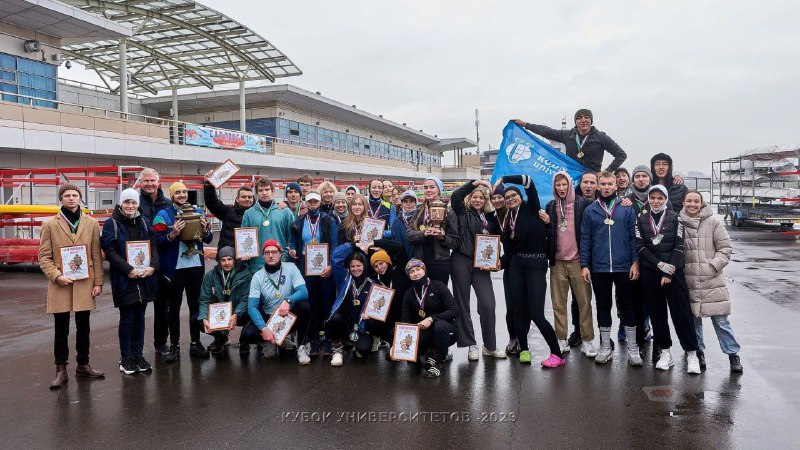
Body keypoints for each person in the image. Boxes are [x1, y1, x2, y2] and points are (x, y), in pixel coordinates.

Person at [39, 183, 105, 388]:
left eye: (75, 195)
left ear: (80, 198)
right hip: (60, 283)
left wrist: (98, 282)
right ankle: (61, 369)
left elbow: (96, 254)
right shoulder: (50, 224)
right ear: (61, 198)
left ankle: (83, 364)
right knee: (61, 329)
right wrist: (57, 276)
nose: (71, 198)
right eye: (67, 195)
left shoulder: (91, 223)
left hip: (85, 282)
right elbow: (44, 257)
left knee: (84, 327)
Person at [493, 174, 564, 367]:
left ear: (520, 196)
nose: (510, 199)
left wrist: (504, 179)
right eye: (507, 198)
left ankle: (557, 354)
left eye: (513, 196)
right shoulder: (508, 219)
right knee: (517, 310)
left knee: (536, 314)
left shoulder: (532, 207)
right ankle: (524, 349)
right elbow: (509, 250)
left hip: (536, 265)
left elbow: (529, 181)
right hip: (516, 266)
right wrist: (496, 262)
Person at [636, 186, 701, 374]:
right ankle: (665, 352)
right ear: (649, 199)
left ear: (666, 199)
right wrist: (659, 265)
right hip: (651, 273)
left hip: (674, 273)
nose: (656, 201)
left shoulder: (675, 218)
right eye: (653, 197)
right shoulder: (641, 219)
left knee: (682, 314)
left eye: (660, 198)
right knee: (657, 314)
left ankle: (691, 354)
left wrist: (668, 271)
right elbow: (640, 246)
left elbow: (679, 247)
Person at [580, 171, 640, 366]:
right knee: (603, 306)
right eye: (603, 184)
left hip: (624, 266)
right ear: (598, 186)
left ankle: (633, 349)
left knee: (628, 306)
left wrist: (635, 262)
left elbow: (634, 237)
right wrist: (585, 265)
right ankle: (605, 346)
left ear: (616, 186)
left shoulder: (626, 208)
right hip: (599, 267)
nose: (606, 187)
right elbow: (586, 239)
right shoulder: (591, 210)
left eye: (609, 184)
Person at [680, 191, 742, 372]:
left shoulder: (713, 222)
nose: (692, 204)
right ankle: (699, 353)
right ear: (684, 202)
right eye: (689, 201)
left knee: (721, 321)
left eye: (696, 201)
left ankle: (733, 355)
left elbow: (725, 248)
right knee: (694, 322)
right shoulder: (678, 223)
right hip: (689, 280)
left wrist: (713, 266)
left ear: (701, 203)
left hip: (712, 281)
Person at [152, 181, 214, 362]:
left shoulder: (199, 211)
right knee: (173, 309)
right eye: (177, 192)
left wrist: (205, 229)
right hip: (174, 269)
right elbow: (158, 241)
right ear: (171, 195)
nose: (181, 195)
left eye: (184, 192)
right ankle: (174, 346)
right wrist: (172, 235)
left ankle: (196, 343)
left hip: (195, 266)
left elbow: (208, 238)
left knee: (195, 307)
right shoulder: (163, 215)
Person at [101, 188, 159, 375]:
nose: (130, 206)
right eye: (127, 202)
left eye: (134, 203)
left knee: (140, 319)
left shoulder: (144, 221)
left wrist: (153, 267)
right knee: (127, 319)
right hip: (125, 279)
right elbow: (110, 251)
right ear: (120, 203)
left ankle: (138, 355)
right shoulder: (112, 223)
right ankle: (126, 358)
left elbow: (153, 246)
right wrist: (129, 270)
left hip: (144, 278)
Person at [448, 180, 506, 361]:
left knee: (488, 304)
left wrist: (497, 260)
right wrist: (476, 183)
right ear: (470, 198)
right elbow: (455, 195)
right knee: (462, 304)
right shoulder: (462, 211)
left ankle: (489, 346)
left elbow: (497, 241)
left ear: (486, 200)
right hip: (461, 260)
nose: (478, 200)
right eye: (475, 196)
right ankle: (471, 344)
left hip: (482, 265)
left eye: (482, 197)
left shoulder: (489, 218)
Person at [542, 172, 596, 357]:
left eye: (564, 184)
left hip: (578, 262)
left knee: (584, 303)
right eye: (558, 185)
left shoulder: (583, 204)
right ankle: (561, 338)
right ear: (554, 187)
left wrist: (587, 262)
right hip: (557, 263)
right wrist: (546, 224)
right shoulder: (550, 206)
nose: (562, 188)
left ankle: (587, 340)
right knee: (558, 304)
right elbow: (548, 233)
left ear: (570, 185)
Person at [288, 190, 338, 359]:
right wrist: (293, 249)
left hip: (325, 267)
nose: (313, 204)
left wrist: (331, 265)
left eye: (315, 201)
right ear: (306, 202)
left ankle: (329, 340)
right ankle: (314, 340)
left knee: (327, 303)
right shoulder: (300, 221)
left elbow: (335, 245)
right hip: (306, 267)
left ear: (319, 202)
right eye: (310, 201)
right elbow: (293, 241)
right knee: (312, 304)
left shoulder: (329, 220)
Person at [242, 240, 311, 363]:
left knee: (304, 306)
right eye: (267, 252)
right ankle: (271, 340)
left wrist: (288, 300)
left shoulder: (291, 268)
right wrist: (264, 328)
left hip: (288, 316)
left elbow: (304, 292)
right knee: (247, 334)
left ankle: (301, 346)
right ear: (263, 255)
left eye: (274, 252)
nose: (270, 255)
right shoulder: (257, 276)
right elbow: (252, 307)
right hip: (268, 317)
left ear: (280, 254)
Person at [394, 259, 459, 378]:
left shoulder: (438, 285)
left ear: (424, 270)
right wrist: (397, 344)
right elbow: (406, 320)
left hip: (446, 329)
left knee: (440, 326)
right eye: (411, 271)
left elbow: (454, 311)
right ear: (409, 276)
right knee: (413, 358)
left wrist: (431, 319)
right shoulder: (409, 293)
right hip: (425, 331)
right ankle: (429, 355)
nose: (416, 273)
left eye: (418, 269)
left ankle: (440, 361)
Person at [513, 109, 627, 172]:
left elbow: (621, 155)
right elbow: (546, 131)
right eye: (579, 118)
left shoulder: (601, 137)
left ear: (591, 121)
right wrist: (525, 124)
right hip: (572, 178)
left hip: (591, 179)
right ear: (575, 122)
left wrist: (606, 172)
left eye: (586, 117)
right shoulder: (567, 135)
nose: (583, 120)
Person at [137, 167, 173, 357]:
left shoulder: (167, 204)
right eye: (146, 181)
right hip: (140, 262)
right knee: (138, 308)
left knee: (163, 307)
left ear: (159, 182)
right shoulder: (133, 203)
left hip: (163, 261)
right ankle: (135, 350)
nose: (150, 184)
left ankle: (161, 343)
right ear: (140, 183)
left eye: (153, 181)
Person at [197, 246, 253, 356]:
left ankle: (244, 340)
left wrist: (236, 313)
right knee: (196, 319)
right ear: (219, 261)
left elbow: (246, 299)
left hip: (239, 312)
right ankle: (221, 337)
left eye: (229, 259)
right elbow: (204, 300)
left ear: (235, 260)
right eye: (223, 260)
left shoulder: (246, 274)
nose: (226, 263)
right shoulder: (211, 275)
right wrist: (203, 318)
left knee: (251, 312)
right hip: (220, 314)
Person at [326, 252, 374, 367]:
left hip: (361, 325)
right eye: (352, 266)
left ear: (364, 266)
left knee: (363, 351)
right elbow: (335, 257)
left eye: (359, 266)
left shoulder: (371, 284)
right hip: (345, 322)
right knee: (335, 318)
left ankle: (355, 342)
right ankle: (337, 350)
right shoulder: (344, 280)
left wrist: (370, 314)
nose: (355, 269)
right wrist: (353, 245)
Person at [407, 177, 456, 285]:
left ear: (439, 189)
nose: (428, 190)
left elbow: (454, 241)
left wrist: (442, 237)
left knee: (439, 296)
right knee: (422, 296)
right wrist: (423, 234)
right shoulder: (418, 211)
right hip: (420, 262)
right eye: (425, 187)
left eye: (432, 187)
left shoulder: (449, 212)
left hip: (440, 262)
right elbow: (409, 235)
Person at [240, 177, 294, 273]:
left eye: (267, 189)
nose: (264, 193)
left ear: (273, 191)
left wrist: (285, 256)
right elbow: (244, 239)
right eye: (260, 190)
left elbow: (292, 237)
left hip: (281, 263)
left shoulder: (285, 211)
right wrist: (245, 252)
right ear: (256, 193)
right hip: (257, 266)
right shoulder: (248, 213)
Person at [203, 172, 254, 250]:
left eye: (249, 197)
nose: (247, 199)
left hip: (250, 257)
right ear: (237, 199)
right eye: (243, 197)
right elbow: (212, 203)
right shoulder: (227, 211)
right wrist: (209, 184)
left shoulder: (257, 214)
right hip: (229, 258)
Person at [390, 190, 417, 260]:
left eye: (411, 201)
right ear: (402, 203)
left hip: (419, 262)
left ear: (416, 202)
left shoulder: (421, 219)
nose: (408, 204)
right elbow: (395, 243)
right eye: (405, 201)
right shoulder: (396, 222)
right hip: (403, 261)